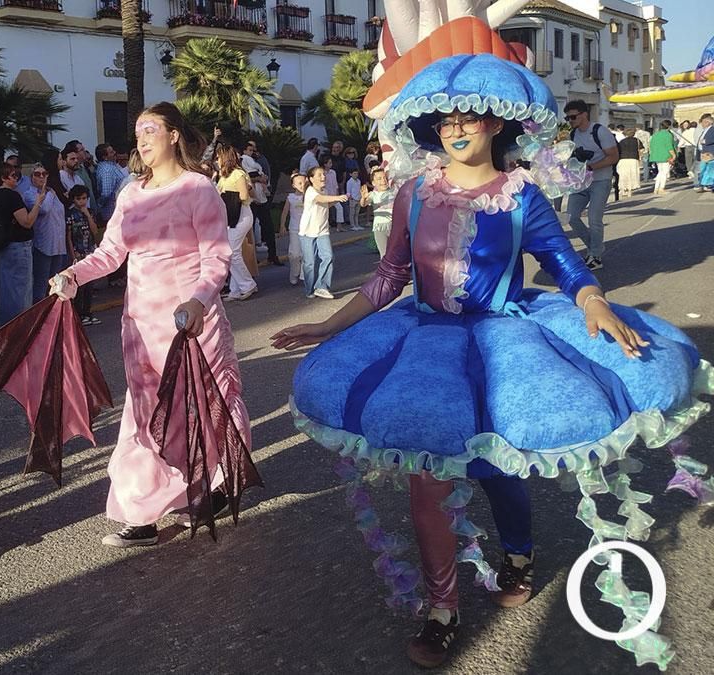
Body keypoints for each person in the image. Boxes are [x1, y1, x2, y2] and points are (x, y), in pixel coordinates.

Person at [273, 53, 707, 670]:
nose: (456, 126)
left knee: (499, 465)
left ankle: (519, 554)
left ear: (498, 124)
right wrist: (326, 324)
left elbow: (563, 260)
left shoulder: (521, 195)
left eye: (471, 116)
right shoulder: (412, 195)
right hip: (426, 343)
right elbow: (389, 276)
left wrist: (592, 302)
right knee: (428, 476)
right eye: (446, 117)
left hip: (503, 337)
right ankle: (443, 609)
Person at [49, 101, 254, 547]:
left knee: (205, 404)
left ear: (174, 135)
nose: (141, 140)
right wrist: (72, 276)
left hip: (191, 325)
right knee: (145, 414)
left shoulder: (198, 188)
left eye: (151, 131)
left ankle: (218, 484)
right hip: (141, 325)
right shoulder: (130, 192)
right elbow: (110, 253)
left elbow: (216, 257)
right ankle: (141, 513)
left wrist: (199, 301)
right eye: (138, 133)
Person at [563, 100, 618, 271]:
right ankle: (595, 247)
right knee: (572, 217)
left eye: (573, 117)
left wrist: (591, 167)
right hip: (580, 182)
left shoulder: (600, 131)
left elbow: (613, 157)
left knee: (594, 219)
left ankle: (595, 256)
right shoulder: (573, 134)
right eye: (567, 118)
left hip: (601, 180)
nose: (570, 121)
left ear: (584, 114)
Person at [0, 163, 45, 325]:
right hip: (19, 245)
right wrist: (38, 203)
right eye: (12, 176)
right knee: (22, 290)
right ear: (4, 178)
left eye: (17, 175)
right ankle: (22, 326)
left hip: (3, 244)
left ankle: (7, 327)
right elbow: (27, 222)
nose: (16, 179)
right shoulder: (12, 196)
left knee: (7, 288)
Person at [216, 144, 257, 302]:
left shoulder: (238, 174)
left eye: (219, 156)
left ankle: (247, 284)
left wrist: (227, 197)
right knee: (232, 252)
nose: (217, 159)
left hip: (241, 214)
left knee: (231, 251)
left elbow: (244, 195)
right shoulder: (224, 175)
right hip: (231, 215)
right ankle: (236, 289)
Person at [299, 167, 347, 300]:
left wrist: (339, 200)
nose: (323, 177)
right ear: (311, 178)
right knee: (310, 262)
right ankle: (309, 289)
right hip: (307, 232)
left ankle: (322, 286)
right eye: (319, 175)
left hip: (322, 230)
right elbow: (320, 199)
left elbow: (326, 203)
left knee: (328, 256)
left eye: (324, 175)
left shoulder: (324, 191)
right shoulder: (310, 191)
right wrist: (337, 196)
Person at [25, 157, 68, 302]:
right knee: (41, 282)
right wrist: (47, 193)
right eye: (38, 174)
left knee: (57, 282)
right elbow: (45, 209)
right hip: (43, 244)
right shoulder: (30, 194)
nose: (42, 177)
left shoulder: (52, 192)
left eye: (44, 174)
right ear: (32, 177)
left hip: (58, 244)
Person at [65, 184, 101, 325]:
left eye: (84, 198)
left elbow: (95, 231)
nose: (82, 202)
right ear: (74, 199)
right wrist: (72, 254)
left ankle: (88, 311)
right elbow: (68, 236)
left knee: (89, 285)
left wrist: (87, 214)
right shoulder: (70, 215)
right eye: (79, 199)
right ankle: (79, 314)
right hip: (78, 252)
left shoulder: (89, 212)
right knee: (80, 285)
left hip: (89, 251)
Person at [243, 140, 279, 266]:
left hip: (262, 197)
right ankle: (252, 257)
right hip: (252, 199)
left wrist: (263, 178)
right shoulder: (243, 161)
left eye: (253, 149)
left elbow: (262, 173)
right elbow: (246, 177)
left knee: (268, 226)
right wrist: (258, 178)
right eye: (249, 149)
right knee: (250, 229)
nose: (252, 152)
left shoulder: (257, 160)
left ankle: (273, 255)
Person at [278, 170, 306, 286]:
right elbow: (285, 212)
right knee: (295, 254)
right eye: (299, 183)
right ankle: (294, 272)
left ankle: (305, 275)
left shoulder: (309, 196)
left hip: (307, 228)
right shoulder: (291, 197)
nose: (302, 185)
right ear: (294, 185)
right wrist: (282, 225)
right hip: (294, 228)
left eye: (303, 183)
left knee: (306, 253)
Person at [360, 167, 395, 256]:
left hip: (395, 227)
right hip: (379, 228)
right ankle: (385, 269)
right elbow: (363, 204)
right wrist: (363, 198)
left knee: (396, 254)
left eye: (384, 178)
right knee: (384, 255)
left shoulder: (394, 192)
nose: (383, 180)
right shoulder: (373, 194)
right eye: (379, 179)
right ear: (373, 183)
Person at [94, 143, 123, 224]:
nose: (114, 152)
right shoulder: (107, 170)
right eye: (111, 152)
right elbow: (106, 193)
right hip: (111, 212)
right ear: (104, 157)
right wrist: (99, 206)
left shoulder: (112, 166)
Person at [648, 120, 678, 196]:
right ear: (669, 126)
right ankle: (661, 188)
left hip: (656, 155)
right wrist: (674, 155)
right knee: (665, 172)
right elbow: (669, 146)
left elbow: (651, 145)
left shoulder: (655, 134)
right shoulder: (668, 134)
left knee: (660, 172)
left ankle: (656, 188)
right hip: (666, 155)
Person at [615, 128, 644, 199]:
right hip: (633, 159)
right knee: (632, 174)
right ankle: (629, 190)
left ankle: (623, 189)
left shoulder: (622, 141)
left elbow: (618, 150)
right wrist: (640, 156)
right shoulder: (637, 141)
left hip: (623, 159)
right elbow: (642, 149)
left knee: (623, 174)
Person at [698, 114, 714, 193]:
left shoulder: (712, 129)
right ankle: (704, 184)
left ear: (708, 122)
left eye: (704, 122)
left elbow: (711, 139)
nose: (702, 124)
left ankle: (708, 184)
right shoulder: (705, 130)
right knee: (703, 169)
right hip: (704, 152)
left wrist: (704, 141)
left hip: (710, 152)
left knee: (709, 169)